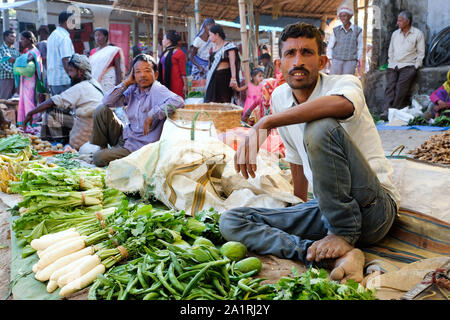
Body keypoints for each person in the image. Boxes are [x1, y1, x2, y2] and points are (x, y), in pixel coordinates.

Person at [219, 22, 400, 283]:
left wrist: (267, 121)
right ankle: (330, 256)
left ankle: (342, 233)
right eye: (290, 54)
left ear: (323, 60)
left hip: (374, 209)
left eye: (307, 53)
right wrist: (299, 208)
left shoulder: (344, 83)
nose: (298, 61)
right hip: (329, 208)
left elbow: (344, 105)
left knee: (319, 127)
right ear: (280, 63)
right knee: (233, 221)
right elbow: (294, 160)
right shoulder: (280, 97)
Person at [90, 53, 184, 167]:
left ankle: (106, 154)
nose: (142, 75)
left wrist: (152, 115)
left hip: (139, 147)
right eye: (138, 71)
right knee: (101, 110)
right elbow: (107, 101)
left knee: (98, 158)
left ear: (156, 74)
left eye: (147, 70)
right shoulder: (133, 89)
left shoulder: (157, 89)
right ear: (133, 75)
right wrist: (127, 82)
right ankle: (105, 149)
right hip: (126, 137)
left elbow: (178, 101)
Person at [22, 54, 103, 150]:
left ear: (80, 72)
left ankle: (53, 143)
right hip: (96, 127)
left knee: (52, 112)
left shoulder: (81, 87)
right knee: (65, 112)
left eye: (71, 71)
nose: (69, 75)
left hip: (87, 131)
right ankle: (63, 141)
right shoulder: (95, 83)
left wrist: (31, 113)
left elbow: (53, 101)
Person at [380, 11, 425, 120]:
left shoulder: (417, 34)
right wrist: (391, 62)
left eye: (400, 20)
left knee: (401, 88)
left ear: (407, 21)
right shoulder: (395, 34)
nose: (397, 23)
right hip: (394, 65)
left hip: (409, 65)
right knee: (390, 87)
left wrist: (416, 66)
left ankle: (394, 111)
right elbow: (390, 50)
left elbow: (421, 52)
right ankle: (386, 111)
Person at [14, 31, 44, 127]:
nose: (21, 41)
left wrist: (13, 60)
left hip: (31, 81)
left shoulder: (33, 52)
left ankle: (32, 123)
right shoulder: (28, 51)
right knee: (25, 101)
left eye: (22, 39)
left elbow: (25, 61)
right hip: (26, 80)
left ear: (28, 40)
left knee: (29, 102)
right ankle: (26, 123)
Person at [205, 24, 241, 103]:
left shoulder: (229, 47)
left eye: (210, 35)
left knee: (224, 101)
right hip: (213, 78)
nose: (209, 37)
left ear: (217, 35)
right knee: (212, 102)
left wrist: (233, 78)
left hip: (224, 78)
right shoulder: (212, 48)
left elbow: (233, 64)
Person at [326, 5, 363, 75]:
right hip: (336, 60)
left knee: (347, 81)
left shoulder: (358, 30)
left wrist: (357, 59)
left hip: (351, 61)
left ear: (350, 16)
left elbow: (360, 47)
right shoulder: (336, 30)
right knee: (334, 80)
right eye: (341, 16)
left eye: (345, 16)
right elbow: (330, 45)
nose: (343, 18)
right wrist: (330, 58)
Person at [47, 11, 75, 96]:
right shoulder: (64, 37)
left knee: (57, 108)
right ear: (67, 22)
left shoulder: (53, 35)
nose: (74, 23)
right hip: (63, 80)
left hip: (53, 80)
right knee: (66, 107)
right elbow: (65, 60)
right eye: (73, 21)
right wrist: (72, 77)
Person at [89, 28, 125, 94]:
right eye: (95, 36)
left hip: (109, 81)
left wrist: (118, 85)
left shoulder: (113, 51)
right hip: (95, 81)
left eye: (99, 35)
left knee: (108, 101)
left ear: (105, 37)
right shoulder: (92, 52)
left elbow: (118, 69)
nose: (97, 38)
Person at [157, 30, 187, 99]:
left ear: (169, 41)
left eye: (164, 38)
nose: (162, 40)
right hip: (165, 83)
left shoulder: (180, 53)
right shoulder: (165, 52)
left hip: (176, 84)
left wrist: (185, 85)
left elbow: (183, 72)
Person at [0, 30, 20, 99]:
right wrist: (16, 71)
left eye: (14, 37)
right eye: (11, 36)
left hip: (16, 79)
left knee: (15, 101)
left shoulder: (15, 50)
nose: (13, 38)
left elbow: (19, 62)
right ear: (5, 37)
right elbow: (3, 64)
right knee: (4, 100)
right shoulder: (1, 49)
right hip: (6, 78)